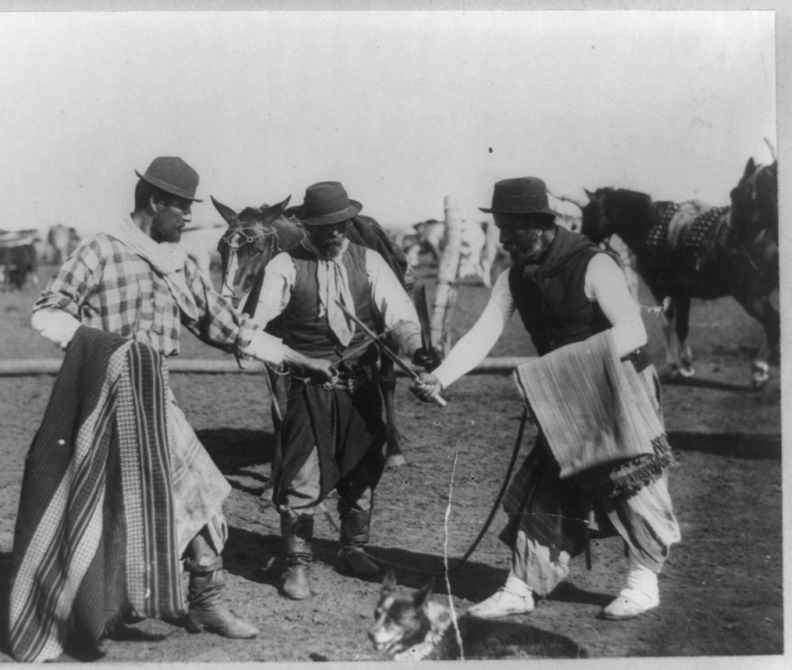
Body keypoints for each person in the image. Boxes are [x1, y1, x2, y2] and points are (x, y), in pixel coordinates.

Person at [9, 157, 335, 662]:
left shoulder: (176, 260)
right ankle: (99, 607)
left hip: (157, 396)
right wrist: (103, 348)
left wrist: (296, 357)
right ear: (155, 202)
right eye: (181, 209)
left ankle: (206, 600)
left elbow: (221, 322)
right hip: (102, 398)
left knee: (198, 490)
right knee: (107, 507)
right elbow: (49, 311)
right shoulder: (101, 249)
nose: (186, 219)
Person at [411, 176, 680, 621]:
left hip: (620, 387)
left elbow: (633, 332)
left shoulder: (595, 265)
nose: (503, 240)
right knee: (545, 487)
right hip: (564, 395)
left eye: (511, 229)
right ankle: (520, 586)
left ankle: (642, 582)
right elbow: (484, 333)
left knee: (635, 483)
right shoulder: (512, 277)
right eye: (498, 228)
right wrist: (440, 377)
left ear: (539, 224)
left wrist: (556, 369)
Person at [249, 181, 433, 600]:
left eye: (341, 225)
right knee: (302, 477)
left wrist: (418, 349)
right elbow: (252, 333)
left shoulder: (369, 261)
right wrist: (299, 360)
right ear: (306, 226)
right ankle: (297, 565)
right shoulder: (284, 266)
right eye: (323, 227)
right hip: (308, 390)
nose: (334, 234)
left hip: (360, 387)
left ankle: (353, 548)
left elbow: (400, 318)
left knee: (362, 473)